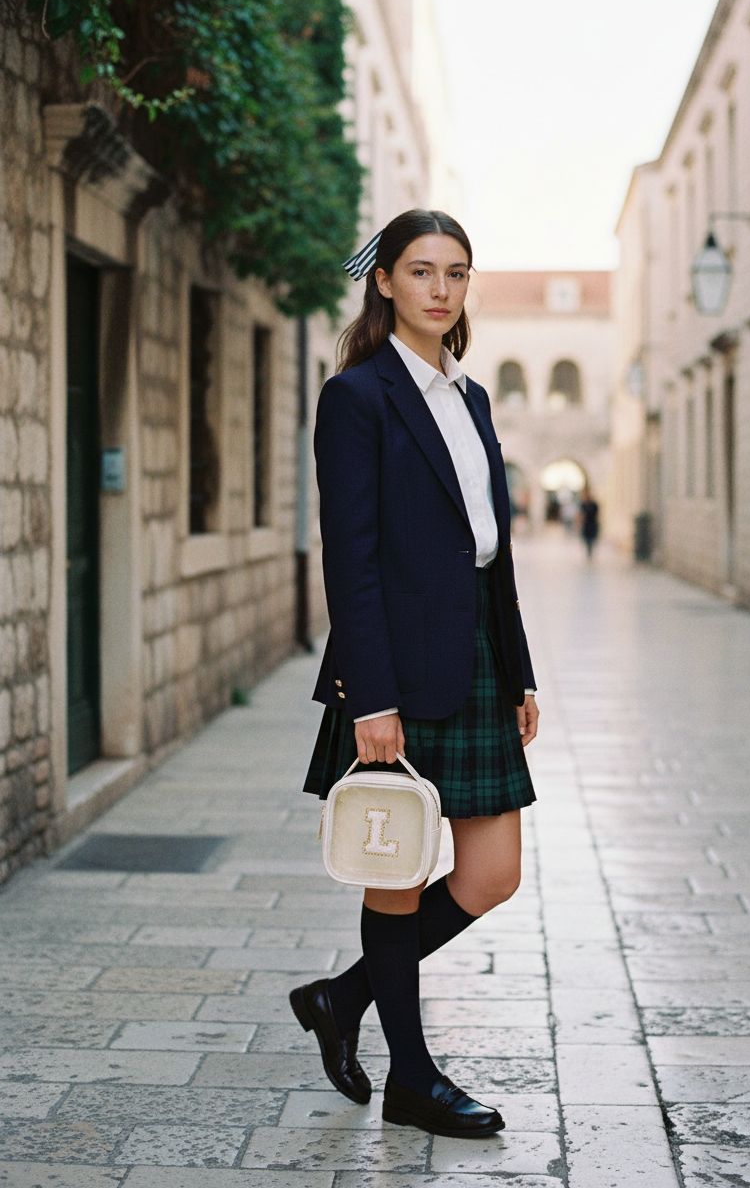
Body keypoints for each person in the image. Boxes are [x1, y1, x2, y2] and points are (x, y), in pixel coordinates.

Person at [291, 209, 539, 1140]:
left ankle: (340, 996)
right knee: (395, 873)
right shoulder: (356, 397)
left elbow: (492, 553)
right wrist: (373, 698)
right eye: (423, 271)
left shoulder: (470, 399)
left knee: (492, 873)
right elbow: (348, 558)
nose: (441, 289)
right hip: (392, 664)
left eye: (458, 273)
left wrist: (518, 673)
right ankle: (414, 1078)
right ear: (385, 281)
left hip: (474, 657)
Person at [579, 485, 600, 559]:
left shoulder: (594, 504)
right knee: (586, 539)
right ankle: (588, 550)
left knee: (591, 539)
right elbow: (581, 514)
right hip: (586, 524)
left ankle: (590, 550)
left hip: (592, 523)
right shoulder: (583, 504)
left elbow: (597, 514)